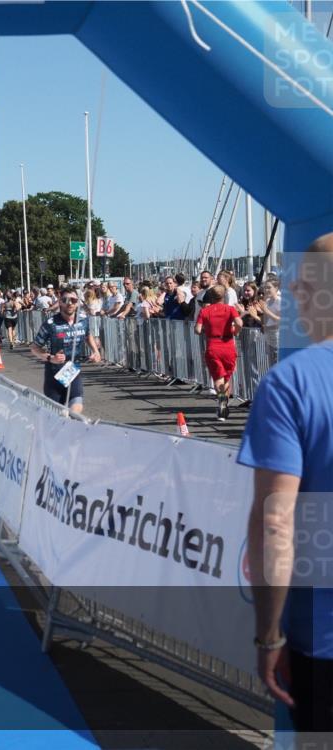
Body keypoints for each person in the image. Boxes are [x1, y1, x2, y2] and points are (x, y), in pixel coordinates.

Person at [237, 232, 333, 739]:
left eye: (305, 279)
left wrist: (267, 635)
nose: (293, 287)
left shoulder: (292, 383)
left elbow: (276, 521)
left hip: (321, 637)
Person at [29, 287, 102, 414]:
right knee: (55, 412)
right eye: (65, 300)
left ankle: (70, 423)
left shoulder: (83, 319)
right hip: (54, 372)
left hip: (73, 369)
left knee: (77, 404)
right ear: (60, 302)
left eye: (73, 300)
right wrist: (50, 358)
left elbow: (88, 335)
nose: (69, 303)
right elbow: (34, 348)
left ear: (78, 302)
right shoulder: (51, 324)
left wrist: (96, 351)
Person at [195, 284, 243, 421]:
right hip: (228, 345)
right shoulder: (230, 309)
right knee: (226, 378)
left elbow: (198, 330)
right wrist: (235, 332)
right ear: (224, 296)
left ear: (211, 296)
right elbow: (239, 323)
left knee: (218, 378)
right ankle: (223, 402)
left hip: (213, 345)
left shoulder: (205, 311)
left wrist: (206, 330)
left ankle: (221, 401)